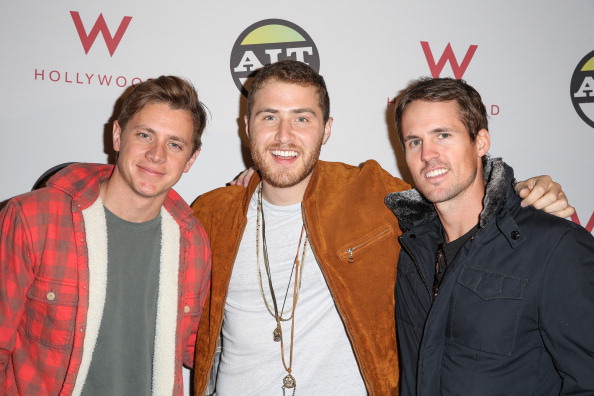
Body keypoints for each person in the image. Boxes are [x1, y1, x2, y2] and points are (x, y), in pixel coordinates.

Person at [191, 60, 571, 395]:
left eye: (302, 118)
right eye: (269, 117)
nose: (284, 135)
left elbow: (448, 183)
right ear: (247, 127)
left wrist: (523, 192)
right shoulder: (212, 213)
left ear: (326, 129)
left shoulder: (371, 192)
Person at [0, 76, 211, 396]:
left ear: (191, 159)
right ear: (117, 135)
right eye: (144, 135)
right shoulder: (33, 219)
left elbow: (200, 350)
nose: (157, 155)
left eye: (174, 144)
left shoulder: (193, 241)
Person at [386, 77, 594, 395]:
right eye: (414, 141)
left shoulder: (554, 247)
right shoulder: (414, 250)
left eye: (443, 135)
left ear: (481, 142)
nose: (428, 154)